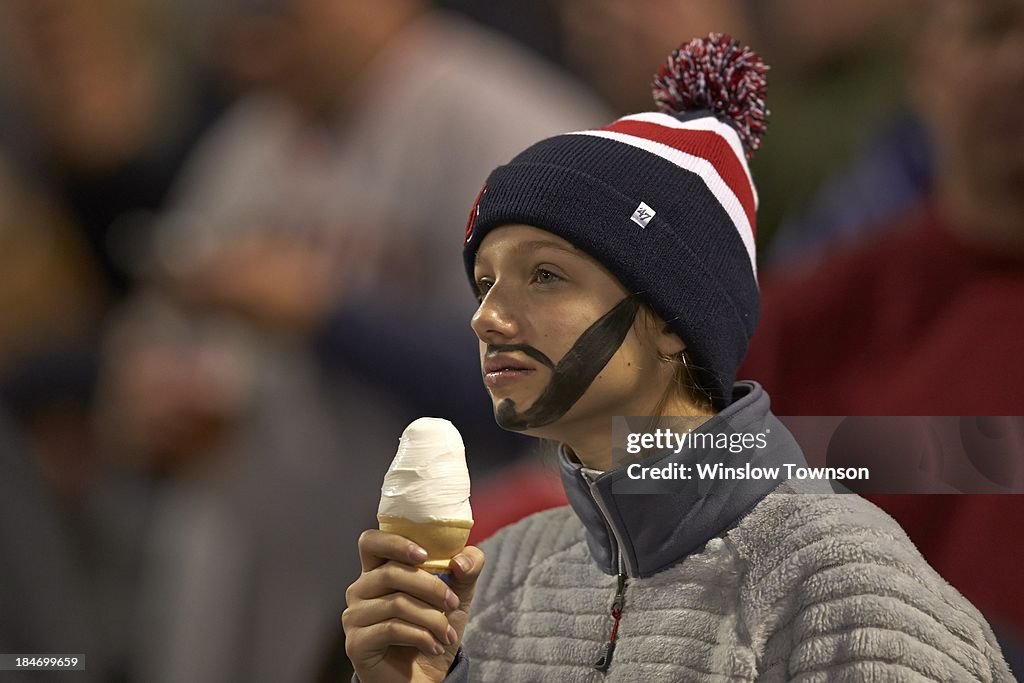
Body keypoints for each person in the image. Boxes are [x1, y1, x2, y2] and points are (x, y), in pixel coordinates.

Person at [342, 35, 1013, 681]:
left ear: (671, 319)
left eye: (545, 275)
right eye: (485, 282)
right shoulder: (501, 575)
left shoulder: (852, 593)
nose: (487, 316)